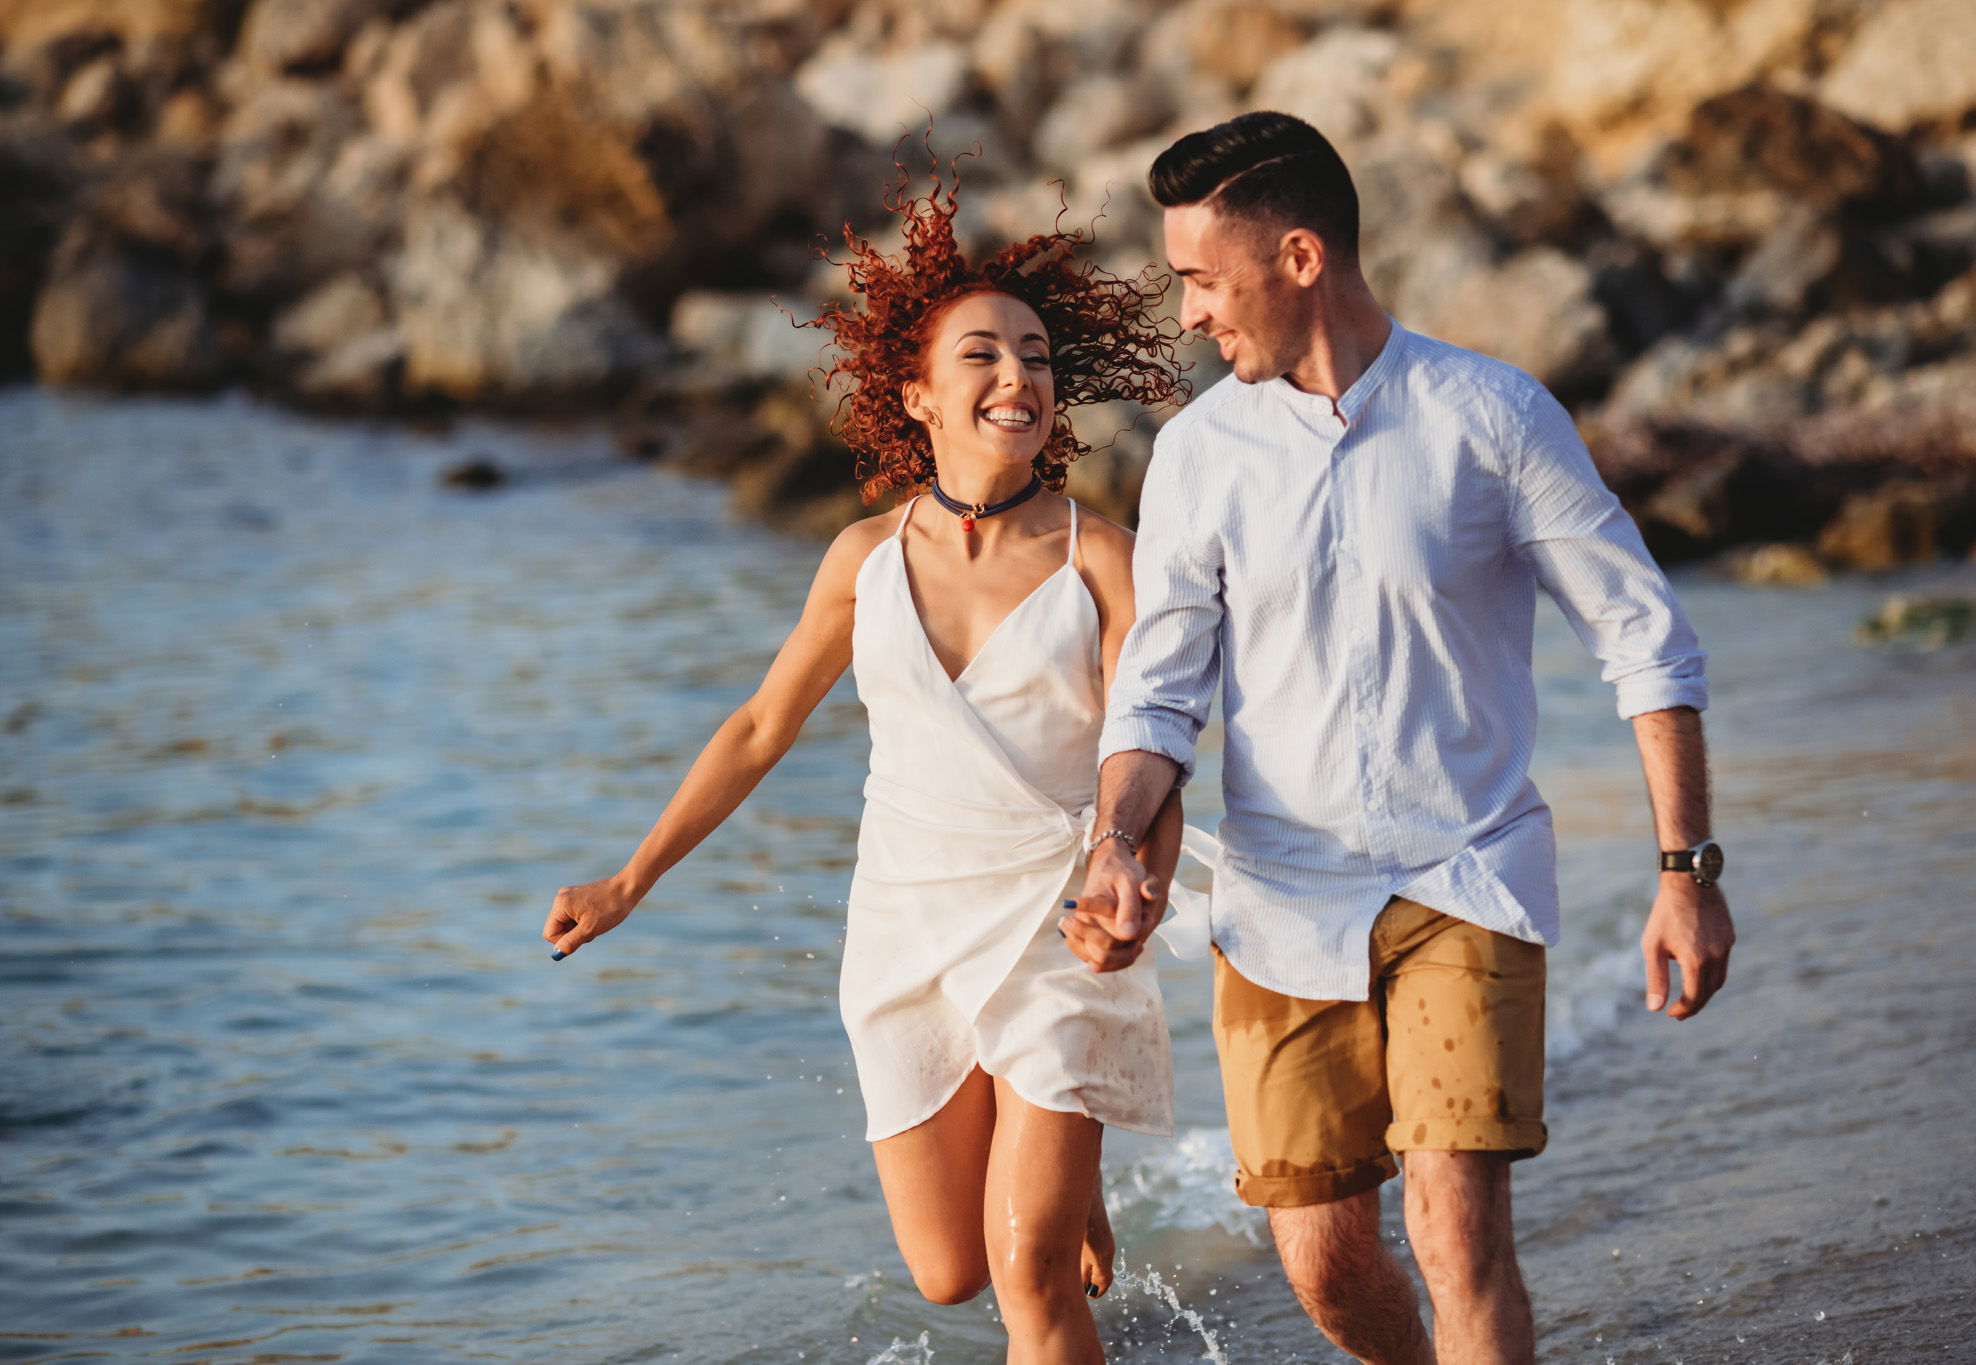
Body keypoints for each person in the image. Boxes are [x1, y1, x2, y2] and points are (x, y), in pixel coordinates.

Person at [1059, 112, 1737, 1365]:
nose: (1191, 313)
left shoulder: (1490, 417)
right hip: (1275, 904)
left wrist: (1682, 871)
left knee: (1454, 1233)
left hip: (1464, 875)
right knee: (1324, 1264)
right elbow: (1157, 697)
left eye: (1203, 280)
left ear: (1301, 257)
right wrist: (1114, 844)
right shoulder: (1199, 456)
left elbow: (1643, 639)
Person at [540, 163, 1192, 1363]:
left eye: (1039, 358)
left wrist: (1135, 892)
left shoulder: (1103, 558)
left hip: (1063, 925)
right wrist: (628, 881)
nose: (1018, 379)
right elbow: (755, 728)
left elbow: (1156, 750)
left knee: (1028, 1283)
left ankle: (1052, 1142)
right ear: (916, 394)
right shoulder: (861, 558)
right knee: (949, 1274)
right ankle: (1055, 1159)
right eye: (984, 357)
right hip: (904, 933)